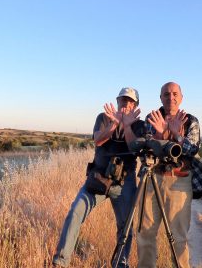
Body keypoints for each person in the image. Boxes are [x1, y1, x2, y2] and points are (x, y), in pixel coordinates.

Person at [52, 87, 145, 268]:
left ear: (135, 105)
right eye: (123, 100)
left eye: (130, 102)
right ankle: (60, 262)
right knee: (75, 212)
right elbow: (98, 140)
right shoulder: (103, 117)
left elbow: (135, 148)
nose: (126, 104)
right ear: (117, 101)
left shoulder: (138, 125)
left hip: (124, 182)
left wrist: (126, 125)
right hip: (99, 178)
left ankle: (120, 264)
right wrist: (113, 124)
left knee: (125, 227)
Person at [137, 81, 200, 268]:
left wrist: (170, 134)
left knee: (178, 237)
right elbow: (147, 148)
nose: (170, 97)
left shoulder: (191, 120)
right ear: (160, 98)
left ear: (181, 98)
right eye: (166, 94)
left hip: (180, 180)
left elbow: (191, 148)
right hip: (152, 178)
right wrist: (168, 135)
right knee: (144, 233)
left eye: (174, 94)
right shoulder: (152, 117)